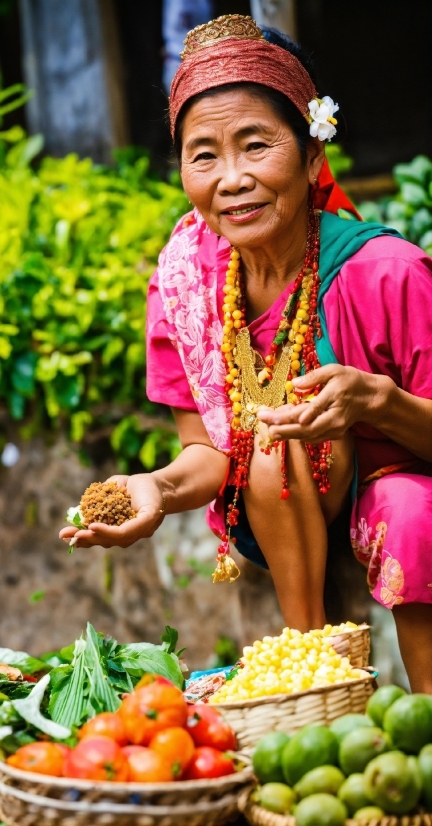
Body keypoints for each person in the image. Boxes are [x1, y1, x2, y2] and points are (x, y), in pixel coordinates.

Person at [60, 15, 432, 692]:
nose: (231, 178)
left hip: (401, 495)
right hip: (276, 506)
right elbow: (207, 451)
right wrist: (155, 490)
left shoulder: (388, 272)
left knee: (407, 510)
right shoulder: (184, 284)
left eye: (255, 146)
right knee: (262, 441)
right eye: (204, 155)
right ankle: (315, 671)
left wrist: (380, 403)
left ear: (312, 155)